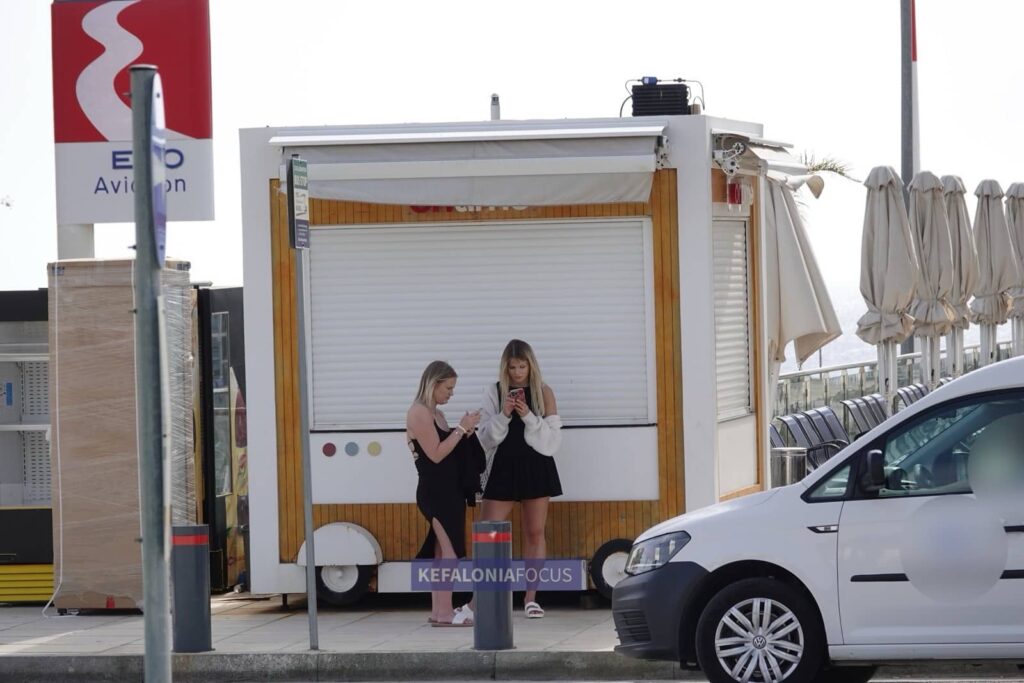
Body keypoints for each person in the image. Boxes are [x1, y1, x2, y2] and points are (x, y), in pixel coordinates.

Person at [477, 339, 563, 618]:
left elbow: (552, 442)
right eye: (512, 367)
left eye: (522, 367)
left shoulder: (544, 392)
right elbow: (484, 439)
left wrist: (528, 415)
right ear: (505, 367)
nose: (516, 373)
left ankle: (531, 598)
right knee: (488, 532)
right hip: (502, 466)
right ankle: (484, 598)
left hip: (536, 465)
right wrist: (504, 414)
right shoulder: (494, 391)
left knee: (535, 532)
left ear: (531, 365)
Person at [406, 360, 480, 626]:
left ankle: (439, 612)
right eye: (448, 388)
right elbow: (436, 454)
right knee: (450, 554)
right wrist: (460, 429)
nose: (451, 393)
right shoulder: (419, 412)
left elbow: (450, 449)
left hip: (449, 490)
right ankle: (447, 612)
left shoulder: (437, 414)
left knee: (441, 556)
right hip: (435, 492)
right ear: (434, 384)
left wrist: (465, 431)